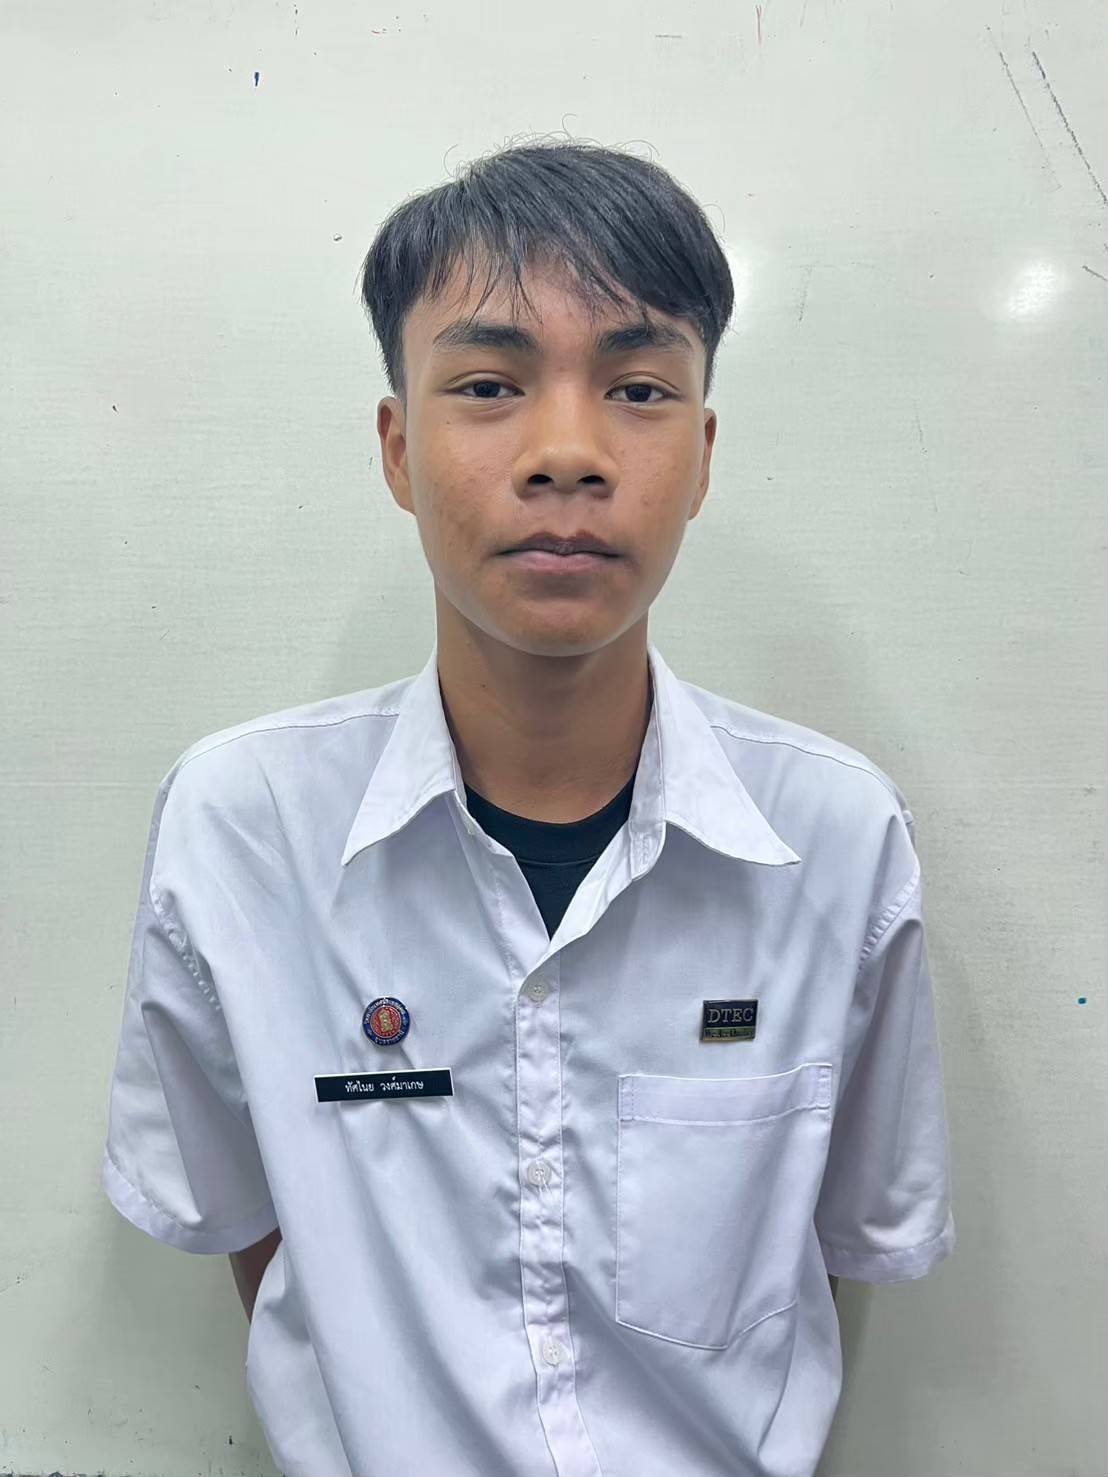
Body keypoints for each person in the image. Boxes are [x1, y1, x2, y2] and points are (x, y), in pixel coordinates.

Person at [100, 137, 955, 1477]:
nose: (567, 452)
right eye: (491, 385)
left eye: (638, 387)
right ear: (399, 446)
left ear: (704, 453)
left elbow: (840, 1246)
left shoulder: (835, 839)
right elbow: (247, 1223)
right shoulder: (243, 830)